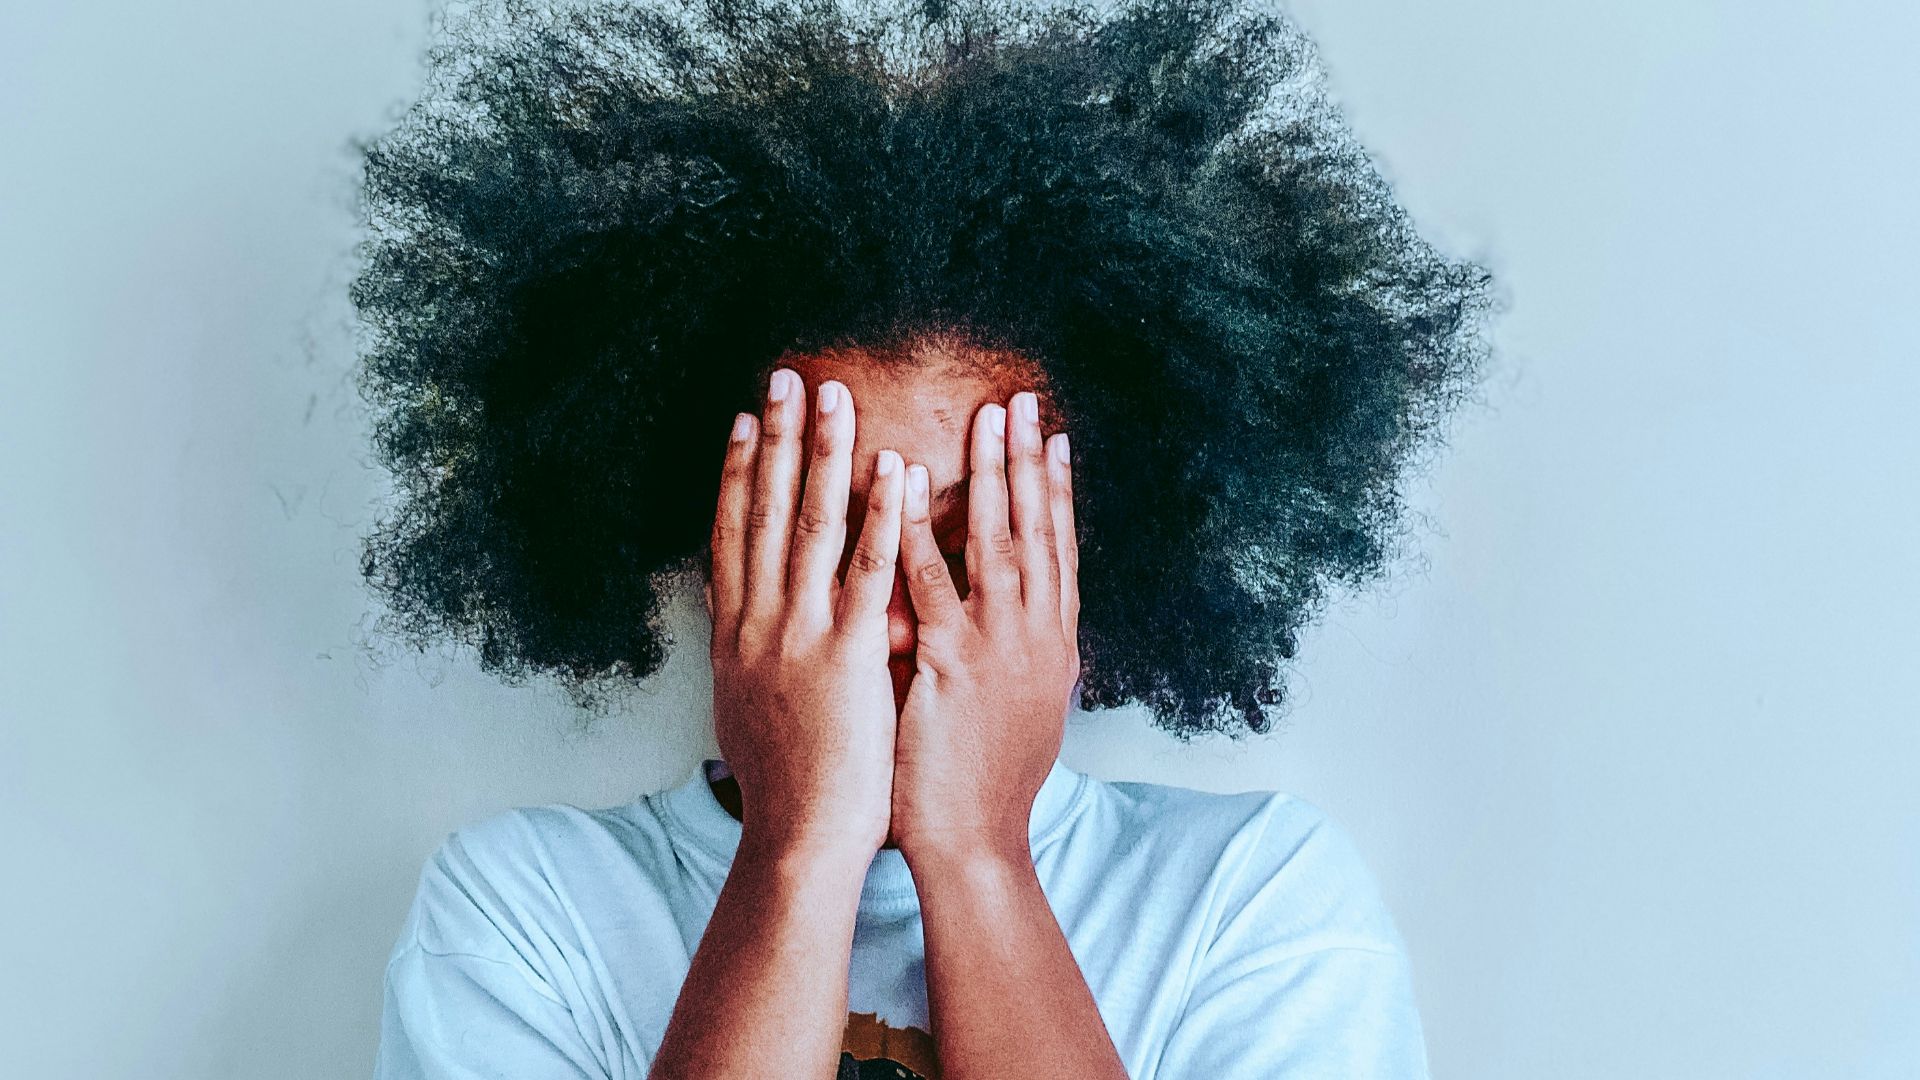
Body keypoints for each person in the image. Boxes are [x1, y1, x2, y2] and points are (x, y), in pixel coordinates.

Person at [352, 0, 1498, 1076]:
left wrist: (982, 855)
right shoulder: (521, 913)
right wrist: (796, 852)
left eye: (967, 546)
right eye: (828, 536)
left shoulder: (1257, 902)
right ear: (716, 549)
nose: (899, 616)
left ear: (1081, 563)